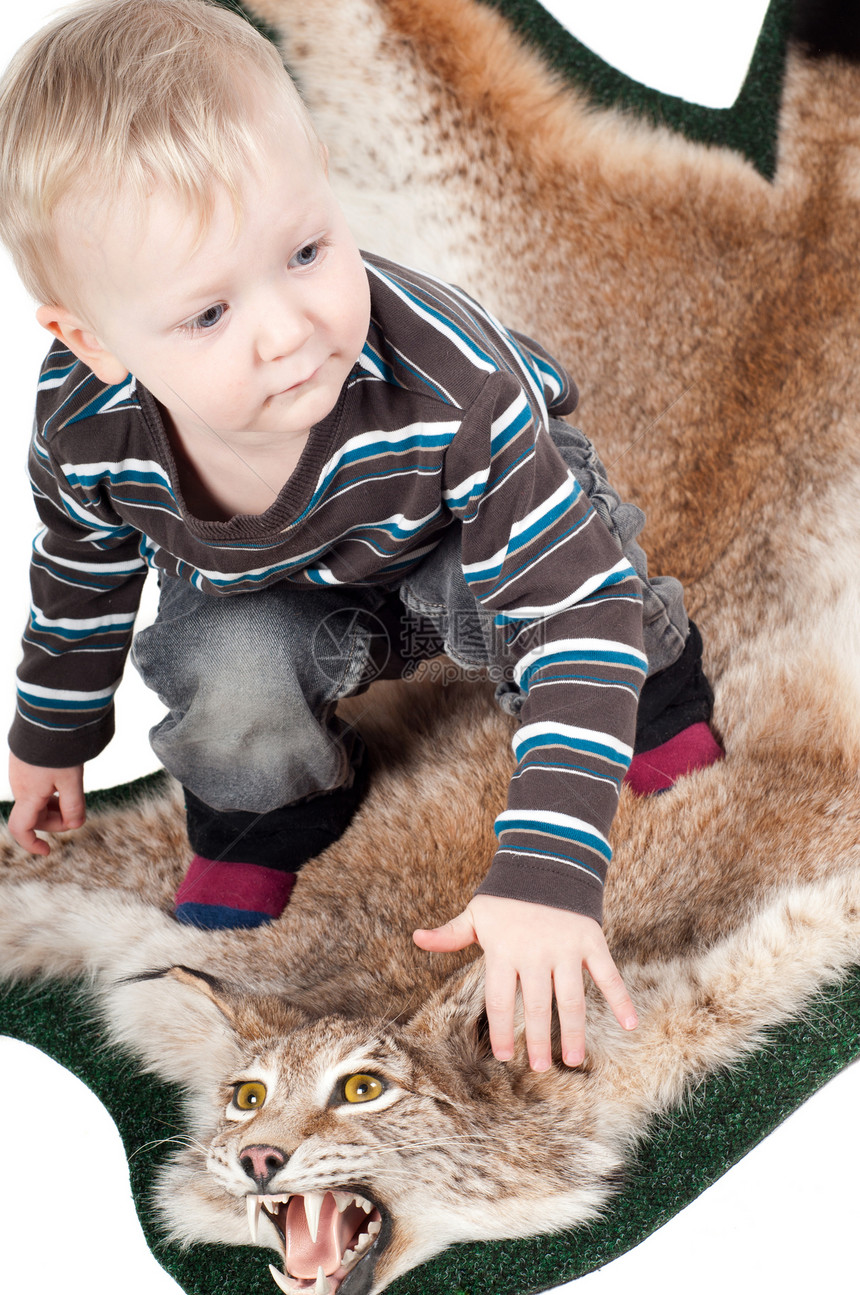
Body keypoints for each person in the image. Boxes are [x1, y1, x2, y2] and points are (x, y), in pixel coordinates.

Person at [0, 0, 721, 1073]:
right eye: (207, 315)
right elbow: (80, 567)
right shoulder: (87, 427)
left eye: (303, 250)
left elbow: (566, 604)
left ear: (326, 183)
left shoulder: (451, 382)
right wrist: (53, 729)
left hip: (469, 533)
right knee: (222, 664)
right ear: (92, 340)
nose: (289, 330)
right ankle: (271, 808)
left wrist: (546, 867)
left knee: (580, 596)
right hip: (273, 581)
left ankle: (658, 690)